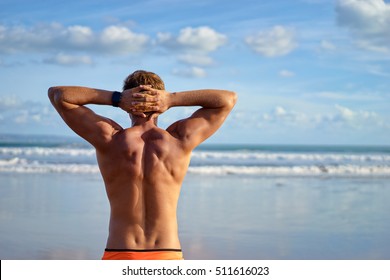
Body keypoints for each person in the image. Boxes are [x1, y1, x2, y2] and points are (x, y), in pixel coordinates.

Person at [48, 70, 237, 260]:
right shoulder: (179, 140)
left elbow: (59, 95)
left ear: (128, 104)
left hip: (120, 253)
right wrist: (171, 99)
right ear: (160, 99)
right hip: (168, 255)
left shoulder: (110, 139)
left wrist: (116, 98)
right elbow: (227, 99)